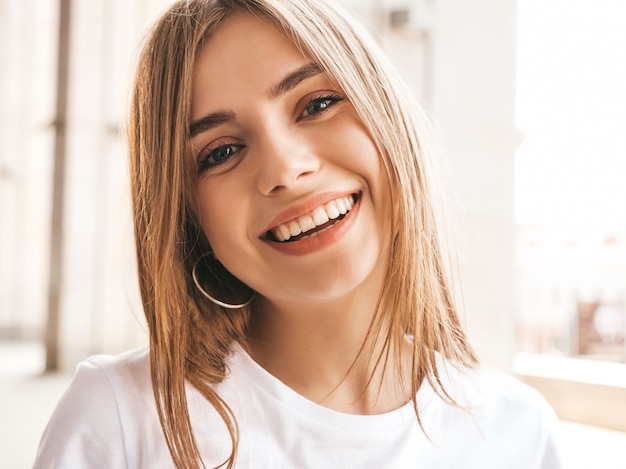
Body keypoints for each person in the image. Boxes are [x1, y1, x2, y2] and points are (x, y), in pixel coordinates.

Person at [33, 0, 563, 467]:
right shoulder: (119, 421)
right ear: (189, 218)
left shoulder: (517, 433)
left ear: (388, 116)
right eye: (221, 152)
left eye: (316, 104)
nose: (285, 169)